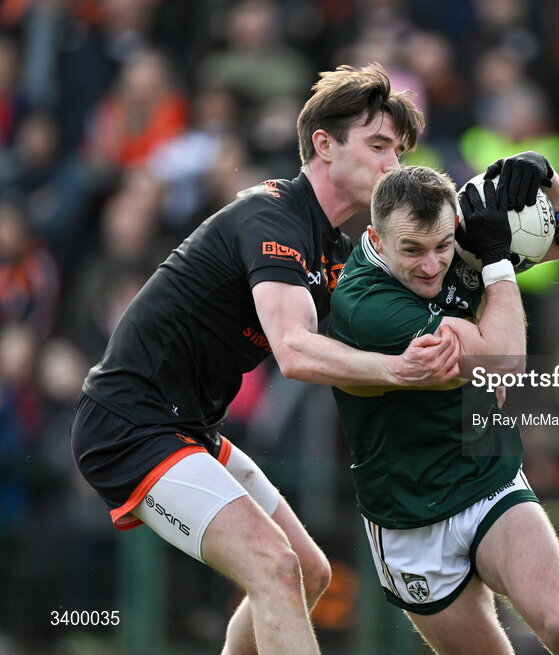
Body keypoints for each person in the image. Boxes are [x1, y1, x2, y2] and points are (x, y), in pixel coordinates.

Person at [70, 64, 460, 655]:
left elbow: (398, 312)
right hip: (129, 425)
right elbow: (297, 351)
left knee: (309, 571)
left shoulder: (335, 246)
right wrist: (398, 370)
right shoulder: (271, 214)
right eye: (378, 145)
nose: (393, 166)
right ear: (323, 146)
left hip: (186, 428)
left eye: (399, 152)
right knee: (275, 567)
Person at [328, 163, 559, 655]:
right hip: (409, 515)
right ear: (376, 240)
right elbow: (504, 365)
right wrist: (497, 262)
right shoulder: (367, 306)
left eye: (442, 246)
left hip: (489, 477)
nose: (430, 265)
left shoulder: (456, 234)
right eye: (412, 250)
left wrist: (547, 178)